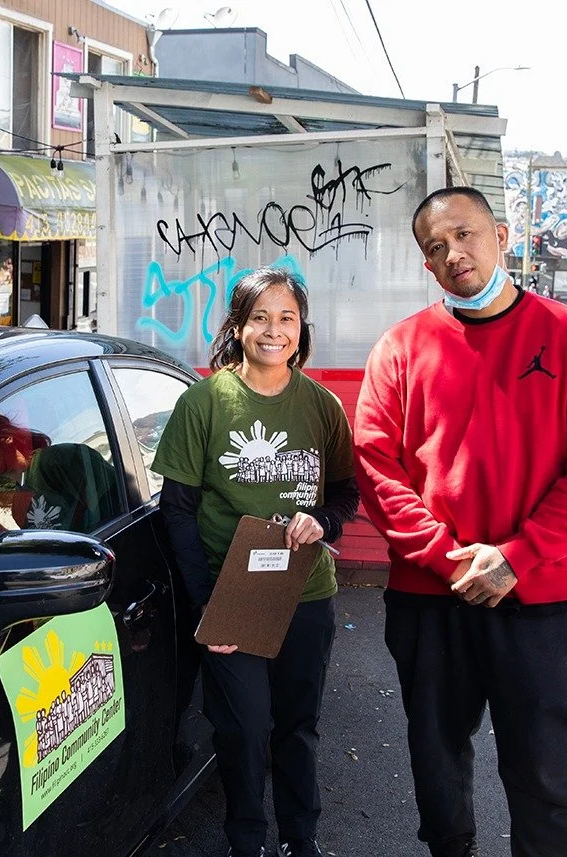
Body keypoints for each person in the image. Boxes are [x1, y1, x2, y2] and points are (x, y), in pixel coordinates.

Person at [353, 187, 567, 857]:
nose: (453, 253)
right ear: (426, 264)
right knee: (436, 766)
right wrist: (447, 559)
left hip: (538, 600)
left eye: (464, 234)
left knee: (546, 777)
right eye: (435, 247)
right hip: (428, 599)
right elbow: (375, 466)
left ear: (501, 236)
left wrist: (516, 557)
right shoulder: (400, 348)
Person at [152, 267, 359, 857]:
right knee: (242, 728)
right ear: (238, 326)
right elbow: (177, 512)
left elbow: (344, 493)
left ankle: (300, 837)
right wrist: (207, 606)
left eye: (286, 318)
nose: (274, 330)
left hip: (306, 592)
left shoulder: (322, 406)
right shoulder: (204, 402)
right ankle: (246, 841)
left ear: (302, 328)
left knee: (297, 724)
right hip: (231, 594)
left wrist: (323, 522)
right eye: (260, 317)